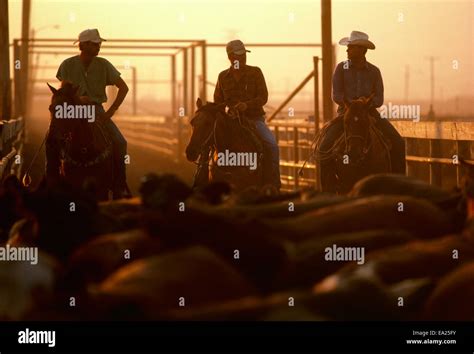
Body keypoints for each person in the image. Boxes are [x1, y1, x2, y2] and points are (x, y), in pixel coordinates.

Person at [319, 30, 406, 190]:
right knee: (324, 147)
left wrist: (366, 103)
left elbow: (379, 99)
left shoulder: (374, 71)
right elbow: (336, 95)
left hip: (369, 114)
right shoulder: (341, 68)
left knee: (398, 143)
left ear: (362, 50)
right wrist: (352, 104)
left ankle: (398, 188)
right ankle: (328, 188)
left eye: (351, 47)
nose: (347, 50)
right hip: (346, 114)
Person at [51, 28, 130, 198]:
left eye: (99, 44)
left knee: (120, 142)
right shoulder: (68, 64)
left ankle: (119, 184)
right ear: (84, 45)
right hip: (72, 110)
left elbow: (124, 88)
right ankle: (52, 180)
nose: (99, 46)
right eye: (95, 44)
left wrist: (110, 112)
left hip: (96, 110)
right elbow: (63, 91)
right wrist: (76, 101)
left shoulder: (104, 65)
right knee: (52, 140)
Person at [213, 39, 281, 190]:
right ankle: (204, 176)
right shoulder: (222, 77)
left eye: (244, 55)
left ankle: (273, 184)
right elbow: (218, 101)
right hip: (230, 122)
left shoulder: (255, 72)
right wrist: (227, 109)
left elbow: (263, 97)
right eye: (239, 55)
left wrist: (246, 105)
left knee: (272, 146)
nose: (243, 58)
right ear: (230, 57)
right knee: (209, 144)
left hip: (254, 120)